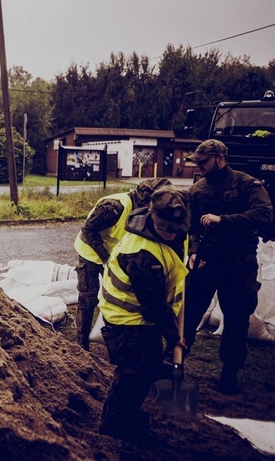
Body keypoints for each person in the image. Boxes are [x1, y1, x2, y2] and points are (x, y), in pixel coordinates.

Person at [97, 186, 190, 442]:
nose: (171, 233)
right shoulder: (141, 255)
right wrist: (173, 338)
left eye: (176, 228)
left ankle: (127, 416)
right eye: (166, 228)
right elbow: (154, 306)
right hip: (127, 321)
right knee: (133, 374)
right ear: (152, 214)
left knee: (145, 368)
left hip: (140, 318)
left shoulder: (160, 229)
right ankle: (114, 426)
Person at [183, 139, 273, 394]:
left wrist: (223, 220)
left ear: (220, 158)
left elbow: (265, 214)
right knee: (188, 313)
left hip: (238, 263)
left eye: (204, 161)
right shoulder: (197, 189)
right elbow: (192, 228)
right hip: (206, 262)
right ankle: (174, 362)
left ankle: (229, 374)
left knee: (235, 320)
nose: (199, 167)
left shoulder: (247, 184)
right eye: (197, 162)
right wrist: (194, 251)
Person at [73, 177, 171, 350]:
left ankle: (113, 339)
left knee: (115, 298)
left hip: (112, 257)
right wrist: (105, 258)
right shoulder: (114, 207)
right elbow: (87, 230)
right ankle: (82, 344)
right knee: (88, 297)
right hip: (90, 253)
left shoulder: (142, 211)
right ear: (147, 199)